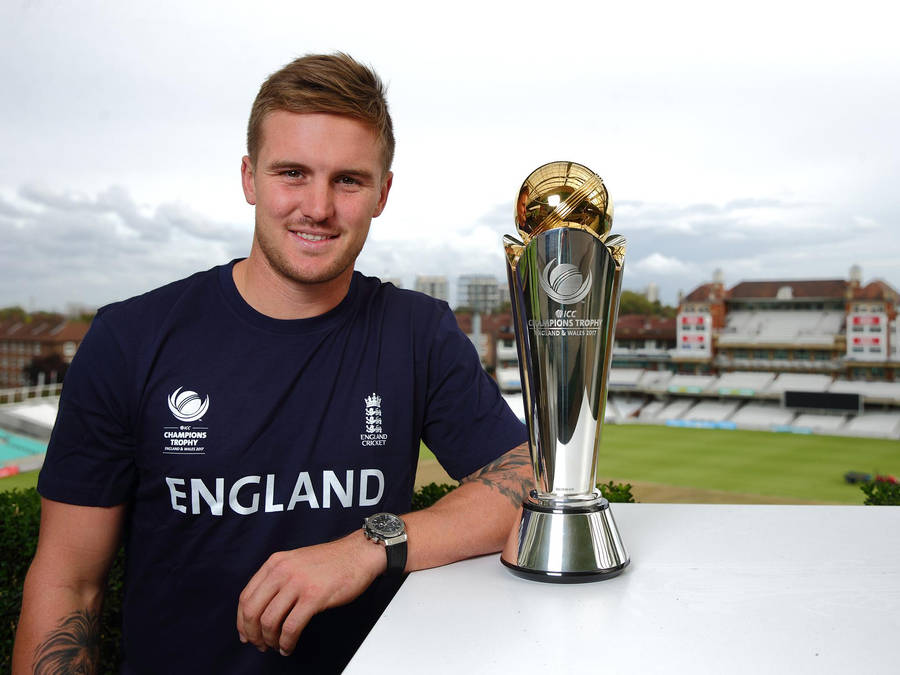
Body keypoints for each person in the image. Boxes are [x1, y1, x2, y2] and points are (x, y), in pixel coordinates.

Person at [13, 53, 530, 674]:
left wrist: (367, 548)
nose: (317, 207)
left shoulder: (416, 330)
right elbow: (69, 585)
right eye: (292, 173)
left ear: (382, 193)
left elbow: (528, 479)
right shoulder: (130, 337)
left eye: (348, 180)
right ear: (248, 178)